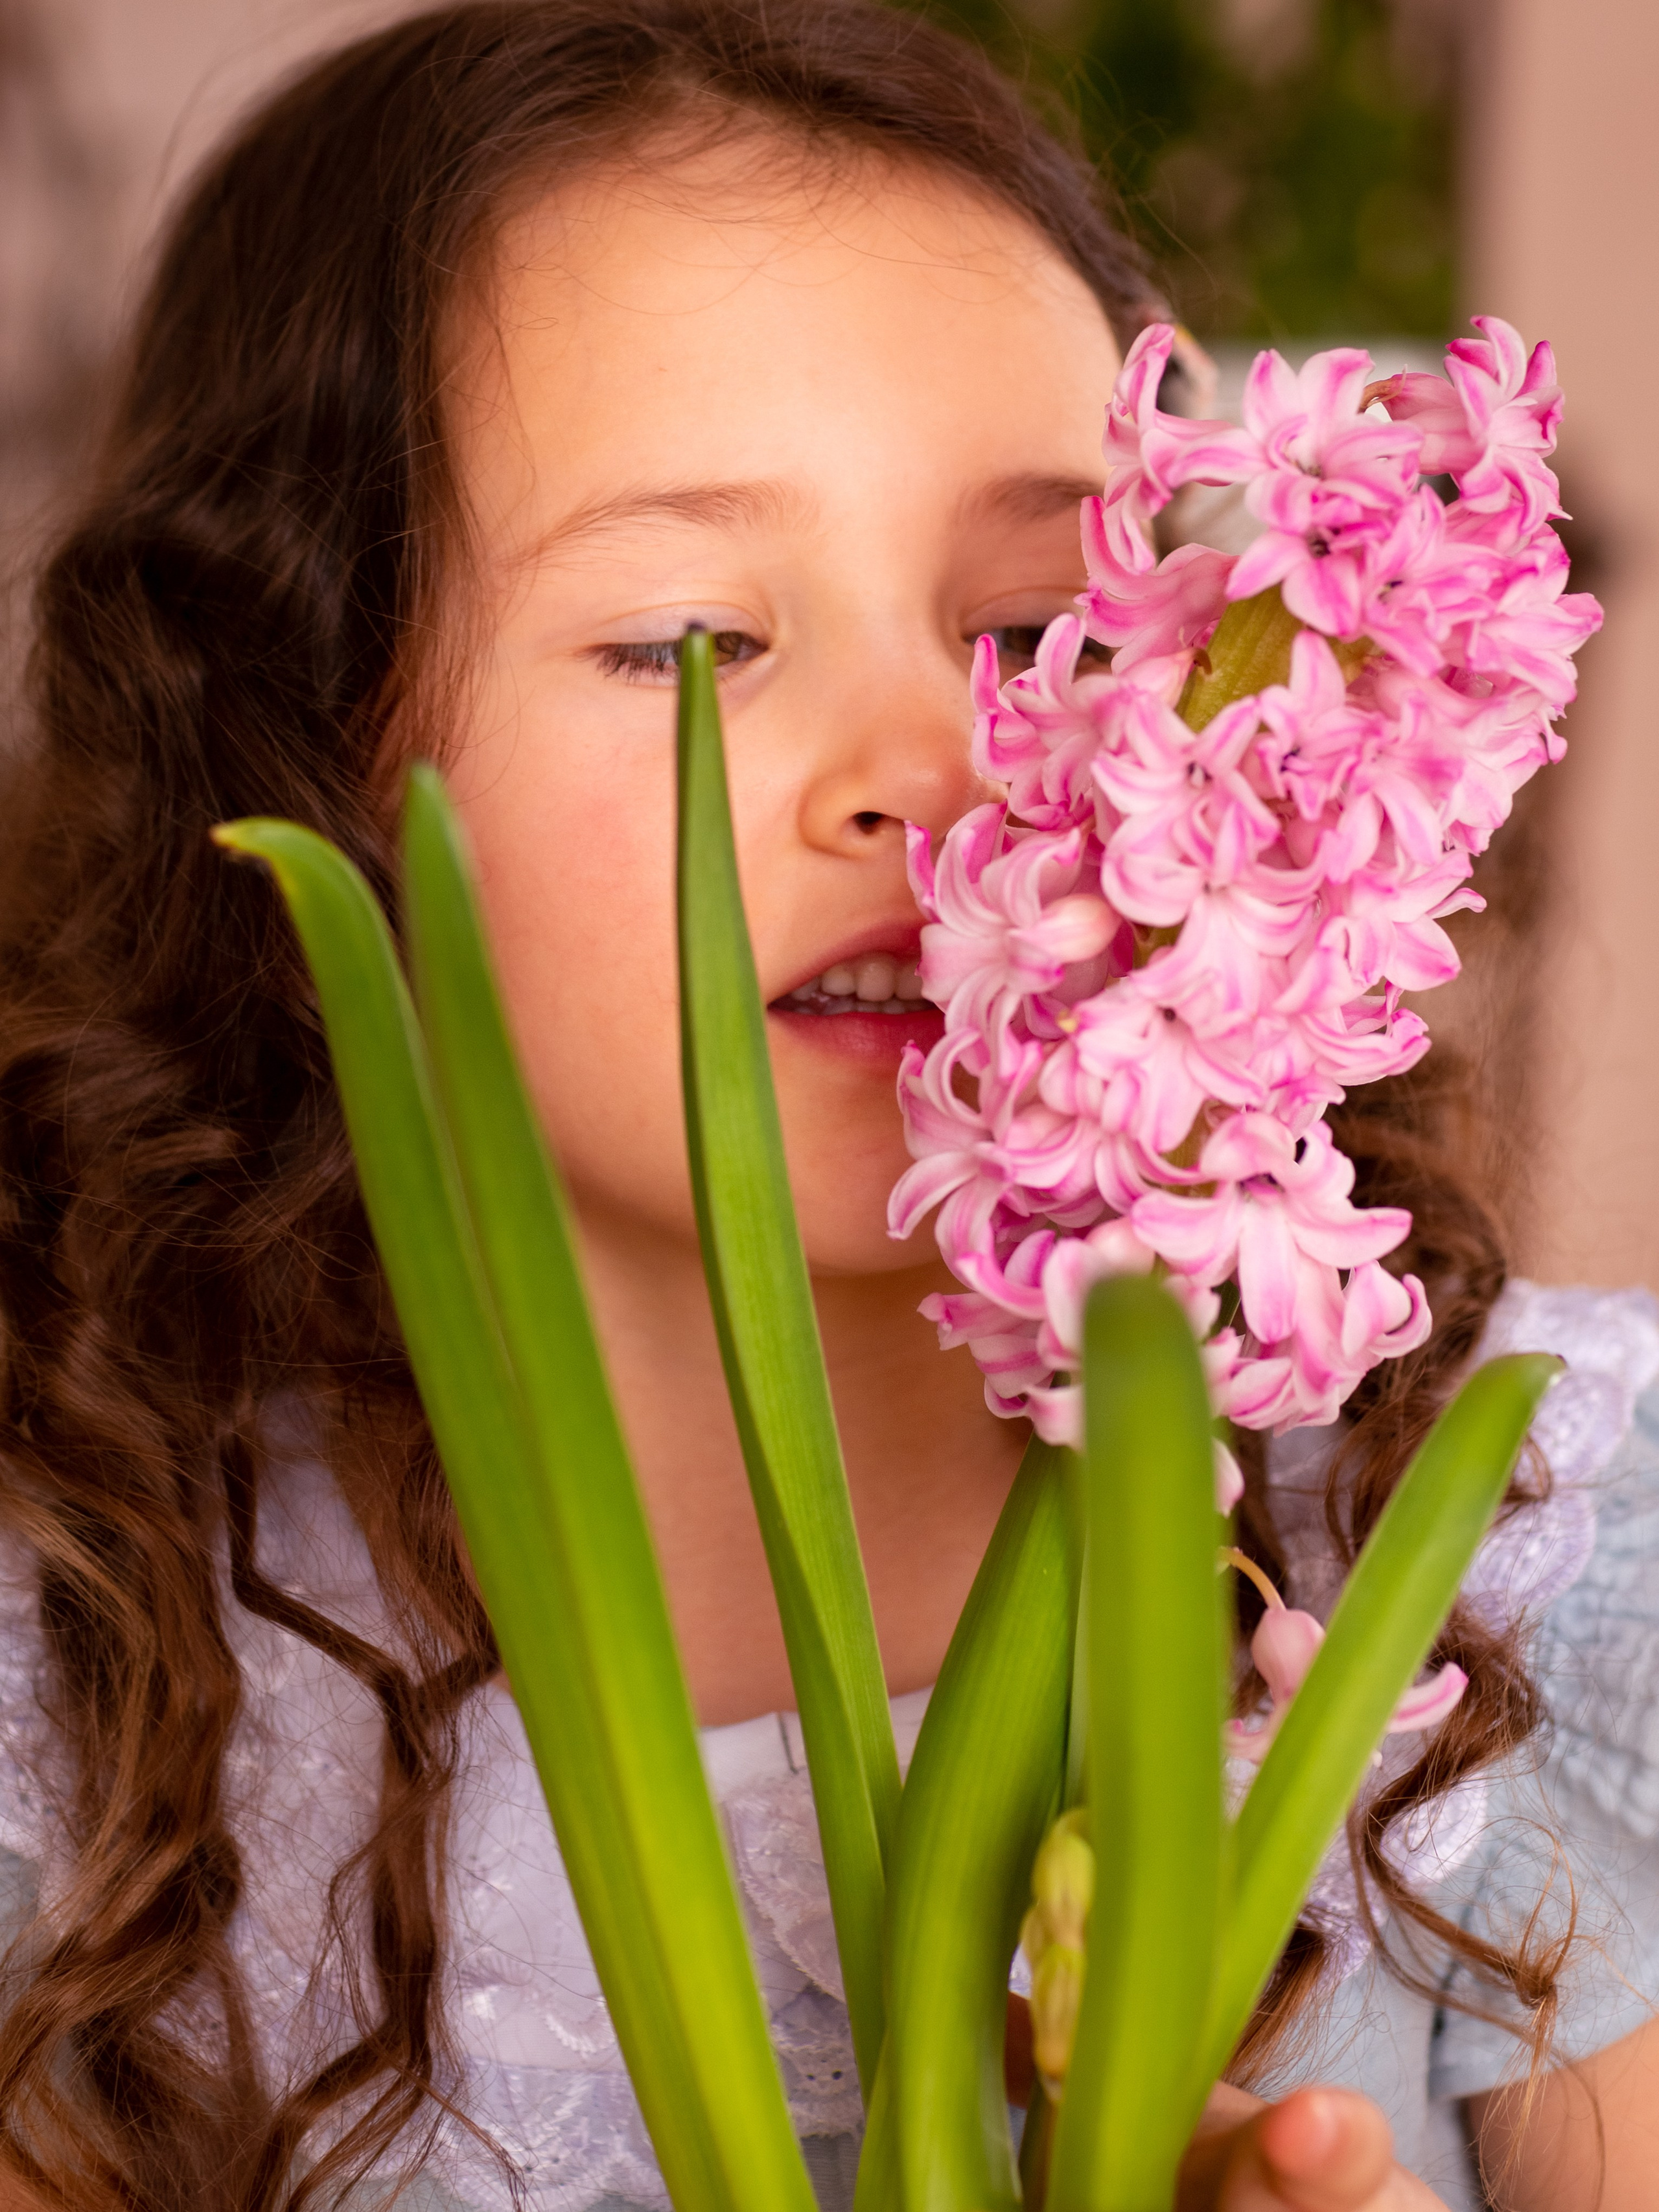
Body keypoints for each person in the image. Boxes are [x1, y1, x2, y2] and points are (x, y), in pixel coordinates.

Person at [0, 5, 1652, 2209]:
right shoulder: (110, 1665)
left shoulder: (1491, 1540)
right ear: (302, 740)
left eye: (1050, 616)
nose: (935, 766)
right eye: (691, 642)